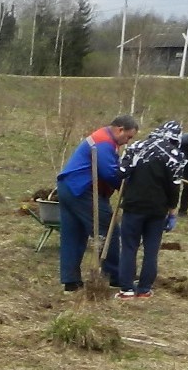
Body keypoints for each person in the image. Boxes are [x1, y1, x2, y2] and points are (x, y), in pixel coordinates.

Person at [56, 114, 138, 292]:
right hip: (82, 189)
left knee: (74, 234)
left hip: (68, 186)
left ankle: (71, 281)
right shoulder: (104, 143)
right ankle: (115, 276)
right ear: (120, 129)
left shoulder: (103, 138)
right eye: (128, 137)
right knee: (108, 229)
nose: (127, 141)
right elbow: (110, 173)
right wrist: (131, 192)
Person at [115, 121, 188, 299]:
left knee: (129, 247)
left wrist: (128, 188)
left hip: (133, 206)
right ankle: (144, 289)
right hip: (158, 210)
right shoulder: (176, 155)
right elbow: (175, 187)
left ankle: (126, 289)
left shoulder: (137, 146)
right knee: (151, 249)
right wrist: (172, 212)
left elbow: (120, 173)